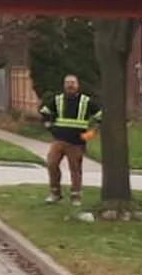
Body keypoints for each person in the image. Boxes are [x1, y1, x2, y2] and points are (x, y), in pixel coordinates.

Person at [39, 74, 99, 204]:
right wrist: (49, 126)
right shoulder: (58, 100)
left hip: (77, 143)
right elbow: (44, 112)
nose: (70, 85)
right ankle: (55, 193)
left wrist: (90, 134)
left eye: (72, 83)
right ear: (64, 85)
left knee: (75, 169)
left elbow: (101, 117)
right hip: (59, 139)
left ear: (77, 85)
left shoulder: (86, 101)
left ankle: (76, 196)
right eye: (67, 83)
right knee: (51, 164)